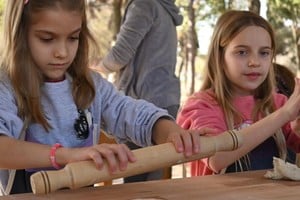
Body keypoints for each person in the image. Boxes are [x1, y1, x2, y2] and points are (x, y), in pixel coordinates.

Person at [0, 0, 206, 195]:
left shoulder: (91, 85)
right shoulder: (7, 86)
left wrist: (169, 131)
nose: (62, 52)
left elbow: (131, 113)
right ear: (20, 33)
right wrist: (66, 155)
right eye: (47, 39)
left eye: (73, 38)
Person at [177, 10, 300, 176]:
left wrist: (297, 129)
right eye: (242, 52)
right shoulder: (201, 105)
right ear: (219, 57)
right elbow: (217, 159)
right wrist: (283, 115)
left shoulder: (278, 103)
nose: (254, 62)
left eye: (264, 53)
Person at [94, 0, 182, 182]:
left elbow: (119, 56)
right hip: (167, 98)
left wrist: (94, 67)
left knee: (136, 176)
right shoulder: (166, 10)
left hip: (143, 102)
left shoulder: (144, 5)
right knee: (154, 180)